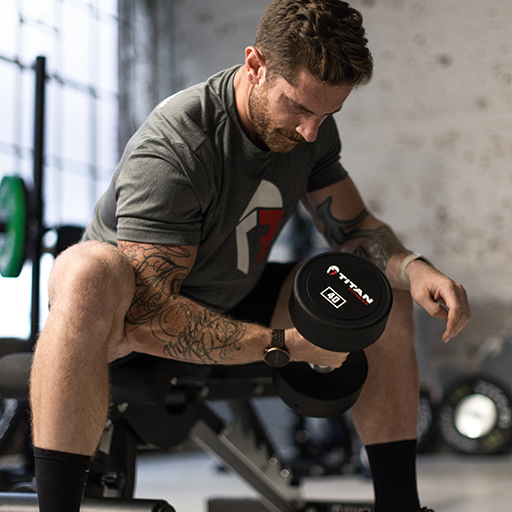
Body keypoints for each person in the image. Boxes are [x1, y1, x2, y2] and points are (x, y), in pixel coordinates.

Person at [29, 1, 471, 511]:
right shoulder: (177, 146)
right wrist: (284, 344)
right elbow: (151, 319)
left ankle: (399, 506)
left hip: (233, 292)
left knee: (384, 294)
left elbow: (354, 228)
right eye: (299, 108)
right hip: (127, 320)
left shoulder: (312, 129)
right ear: (255, 65)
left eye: (326, 114)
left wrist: (415, 269)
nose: (310, 130)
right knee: (85, 269)